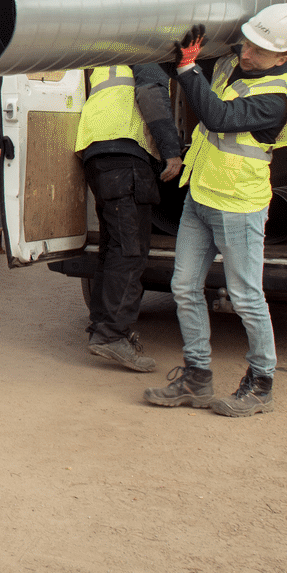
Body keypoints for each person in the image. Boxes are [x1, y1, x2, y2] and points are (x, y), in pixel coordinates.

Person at [144, 3, 287, 418]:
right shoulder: (234, 62)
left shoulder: (275, 100)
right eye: (246, 43)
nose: (245, 54)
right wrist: (180, 52)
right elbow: (186, 61)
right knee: (183, 287)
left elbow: (217, 117)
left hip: (238, 205)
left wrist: (187, 69)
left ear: (283, 58)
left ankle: (261, 384)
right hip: (201, 195)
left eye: (258, 51)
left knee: (246, 297)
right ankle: (197, 377)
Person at [74, 63, 183, 372]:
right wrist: (171, 150)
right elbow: (150, 95)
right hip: (125, 154)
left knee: (113, 248)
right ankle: (110, 336)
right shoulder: (148, 53)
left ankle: (102, 328)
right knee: (129, 250)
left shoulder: (111, 57)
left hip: (98, 153)